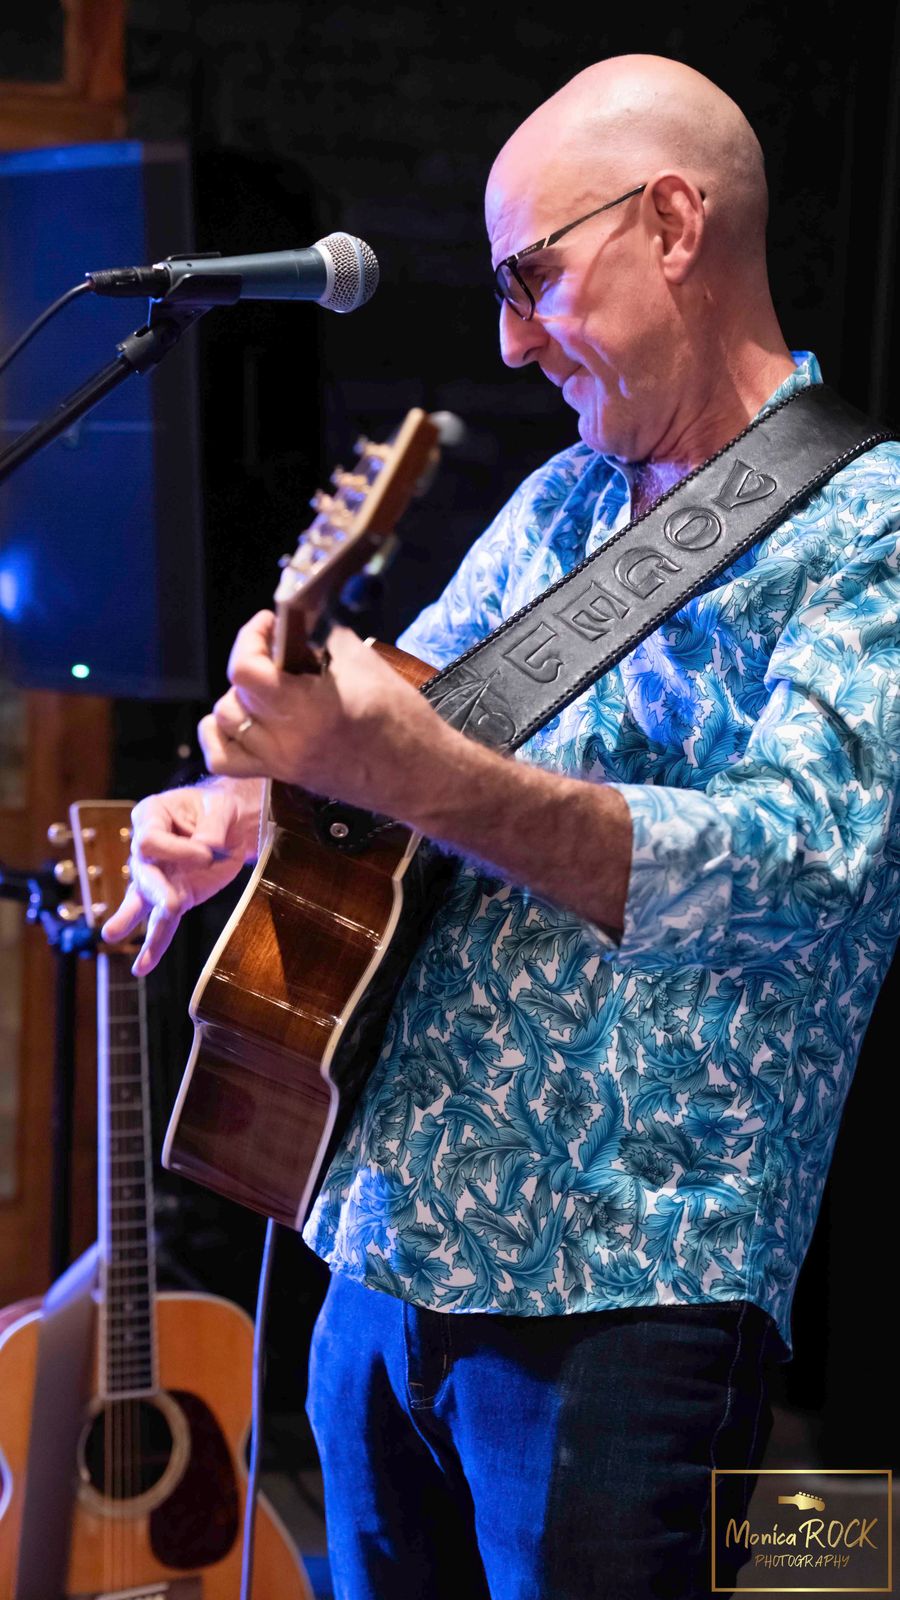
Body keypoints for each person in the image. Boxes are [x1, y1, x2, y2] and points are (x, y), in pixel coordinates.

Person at [103, 53, 900, 1600]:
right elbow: (409, 757)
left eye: (532, 277)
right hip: (381, 1257)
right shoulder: (563, 504)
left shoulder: (869, 526)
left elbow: (804, 868)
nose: (509, 339)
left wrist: (407, 772)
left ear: (672, 223)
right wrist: (256, 804)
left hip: (626, 1303)